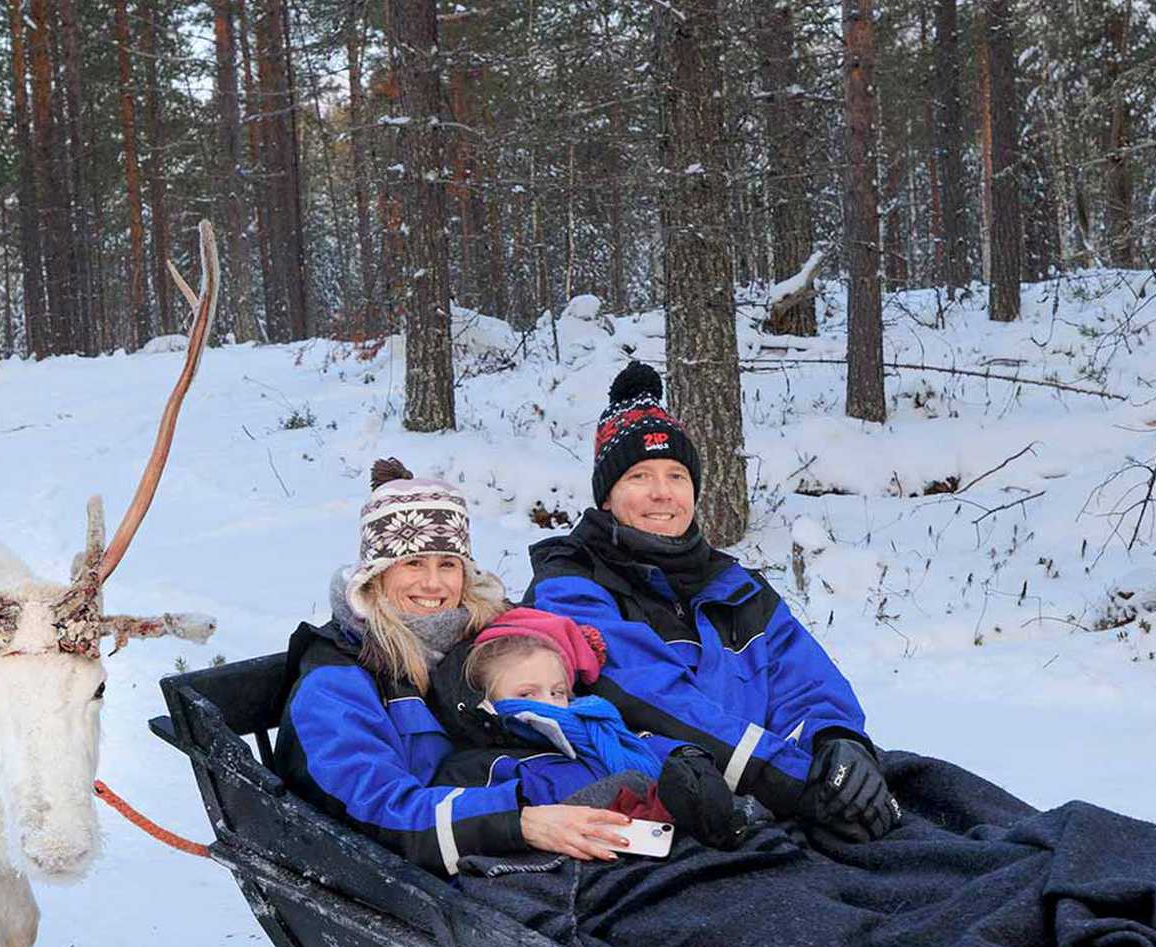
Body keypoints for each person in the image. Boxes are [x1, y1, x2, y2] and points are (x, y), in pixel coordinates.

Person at [526, 361, 900, 843]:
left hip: (778, 784)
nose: (662, 493)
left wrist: (837, 743)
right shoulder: (568, 587)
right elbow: (654, 699)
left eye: (676, 476)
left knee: (935, 796)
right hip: (668, 802)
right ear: (607, 496)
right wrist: (798, 780)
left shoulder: (738, 588)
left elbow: (805, 682)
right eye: (640, 476)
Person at [273, 460, 635, 875]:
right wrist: (516, 823)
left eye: (447, 565)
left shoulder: (486, 638)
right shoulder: (337, 682)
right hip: (428, 873)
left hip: (545, 825)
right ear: (375, 576)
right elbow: (375, 804)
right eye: (413, 564)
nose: (434, 585)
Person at [429, 607, 748, 850]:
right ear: (484, 700)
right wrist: (641, 799)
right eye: (527, 694)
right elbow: (491, 830)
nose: (550, 705)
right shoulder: (482, 767)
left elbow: (642, 743)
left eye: (557, 692)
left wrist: (689, 758)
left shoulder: (595, 727)